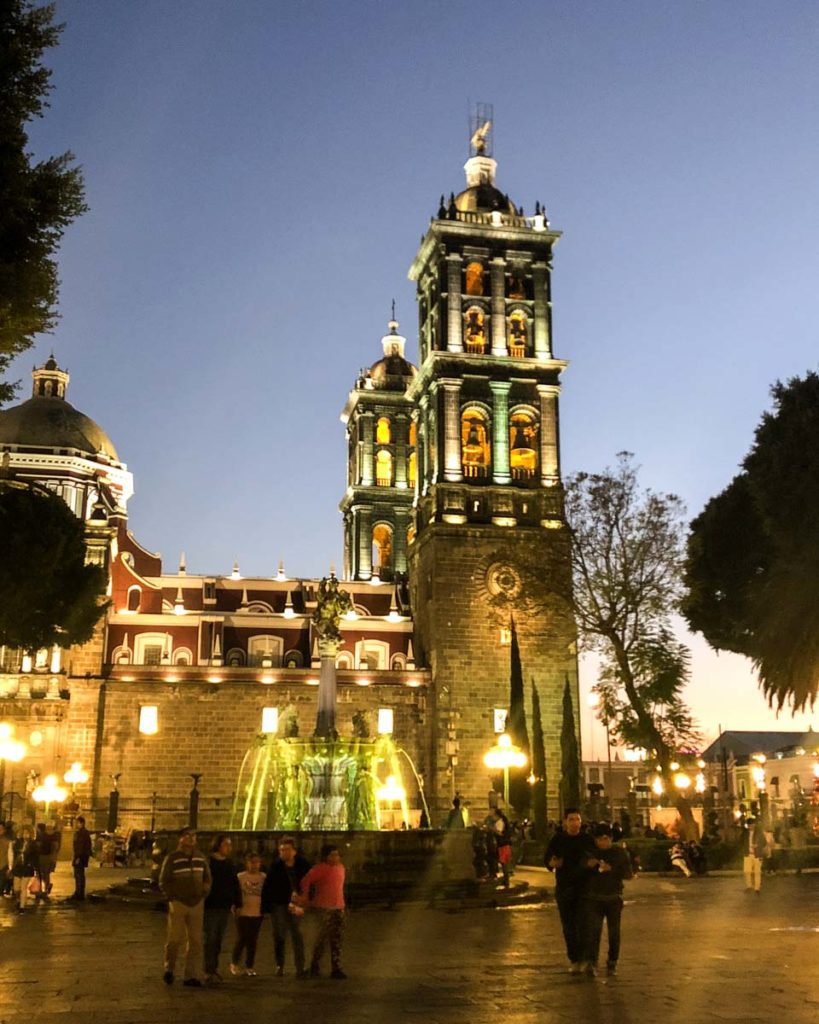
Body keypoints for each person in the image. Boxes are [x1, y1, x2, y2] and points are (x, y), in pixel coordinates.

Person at [544, 808, 596, 973]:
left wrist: (591, 865)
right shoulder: (558, 839)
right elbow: (548, 859)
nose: (575, 823)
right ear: (565, 821)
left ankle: (587, 960)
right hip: (565, 888)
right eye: (572, 819)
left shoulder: (587, 840)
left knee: (585, 925)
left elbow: (595, 859)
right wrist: (552, 864)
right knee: (569, 926)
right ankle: (575, 959)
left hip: (585, 888)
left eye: (578, 819)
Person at [159, 828, 212, 987]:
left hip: (197, 903)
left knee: (195, 940)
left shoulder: (200, 857)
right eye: (187, 836)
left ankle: (190, 975)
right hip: (179, 903)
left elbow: (207, 877)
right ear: (180, 839)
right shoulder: (172, 858)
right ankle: (169, 968)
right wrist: (172, 897)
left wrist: (204, 891)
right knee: (174, 939)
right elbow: (164, 880)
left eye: (193, 836)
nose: (191, 839)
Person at [580, 822, 633, 977]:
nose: (603, 842)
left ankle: (612, 962)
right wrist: (587, 866)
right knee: (593, 931)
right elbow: (581, 871)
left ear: (610, 838)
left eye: (606, 838)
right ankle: (592, 961)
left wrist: (613, 870)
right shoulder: (590, 853)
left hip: (613, 897)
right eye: (600, 839)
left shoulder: (619, 853)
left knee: (614, 932)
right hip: (594, 897)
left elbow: (628, 874)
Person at [261, 835, 311, 977]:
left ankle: (300, 967)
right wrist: (267, 907)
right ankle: (280, 965)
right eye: (281, 850)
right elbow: (269, 887)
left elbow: (310, 883)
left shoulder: (303, 864)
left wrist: (303, 899)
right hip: (280, 904)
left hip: (297, 903)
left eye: (287, 849)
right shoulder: (276, 866)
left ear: (294, 851)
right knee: (279, 935)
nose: (284, 853)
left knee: (297, 934)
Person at [299, 843, 346, 979]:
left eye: (337, 854)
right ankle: (315, 964)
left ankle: (336, 967)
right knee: (322, 939)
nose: (336, 857)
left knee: (337, 939)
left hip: (338, 907)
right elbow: (305, 881)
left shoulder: (340, 868)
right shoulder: (320, 869)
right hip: (323, 908)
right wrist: (306, 896)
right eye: (332, 855)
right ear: (326, 856)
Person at [203, 834, 241, 984]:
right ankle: (208, 970)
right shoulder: (209, 862)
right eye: (226, 845)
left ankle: (213, 969)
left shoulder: (229, 863)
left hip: (224, 906)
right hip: (211, 905)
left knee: (218, 939)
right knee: (210, 938)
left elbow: (234, 883)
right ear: (218, 845)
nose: (229, 848)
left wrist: (237, 902)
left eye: (230, 845)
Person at [230, 852, 266, 977]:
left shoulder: (263, 877)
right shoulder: (240, 877)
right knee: (242, 938)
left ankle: (250, 965)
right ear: (247, 863)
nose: (255, 865)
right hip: (243, 911)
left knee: (253, 940)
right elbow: (235, 892)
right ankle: (234, 963)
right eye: (252, 862)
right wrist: (236, 905)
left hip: (257, 912)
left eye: (257, 862)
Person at [10, 826, 37, 912]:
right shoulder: (18, 843)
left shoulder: (33, 844)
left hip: (27, 868)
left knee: (23, 887)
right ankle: (19, 900)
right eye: (24, 833)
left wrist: (32, 864)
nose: (25, 835)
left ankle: (22, 907)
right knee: (16, 888)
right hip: (18, 867)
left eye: (27, 833)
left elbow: (35, 856)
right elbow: (13, 853)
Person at [70, 816, 93, 900]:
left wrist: (78, 857)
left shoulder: (81, 833)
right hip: (81, 856)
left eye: (77, 823)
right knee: (79, 875)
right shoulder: (83, 832)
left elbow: (81, 846)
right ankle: (79, 892)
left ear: (81, 823)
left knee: (79, 875)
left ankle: (79, 893)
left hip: (80, 857)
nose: (75, 824)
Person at [744, 819, 767, 894]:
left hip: (757, 854)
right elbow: (741, 842)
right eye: (749, 825)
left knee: (757, 871)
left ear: (754, 825)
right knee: (747, 871)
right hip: (748, 854)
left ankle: (757, 888)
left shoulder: (759, 833)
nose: (750, 826)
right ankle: (749, 886)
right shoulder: (745, 833)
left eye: (752, 825)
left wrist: (757, 845)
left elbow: (764, 842)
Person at [493, 808, 513, 889]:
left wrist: (494, 830)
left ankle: (506, 880)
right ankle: (506, 879)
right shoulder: (502, 821)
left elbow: (500, 833)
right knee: (504, 863)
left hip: (503, 845)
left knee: (504, 863)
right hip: (505, 844)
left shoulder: (500, 822)